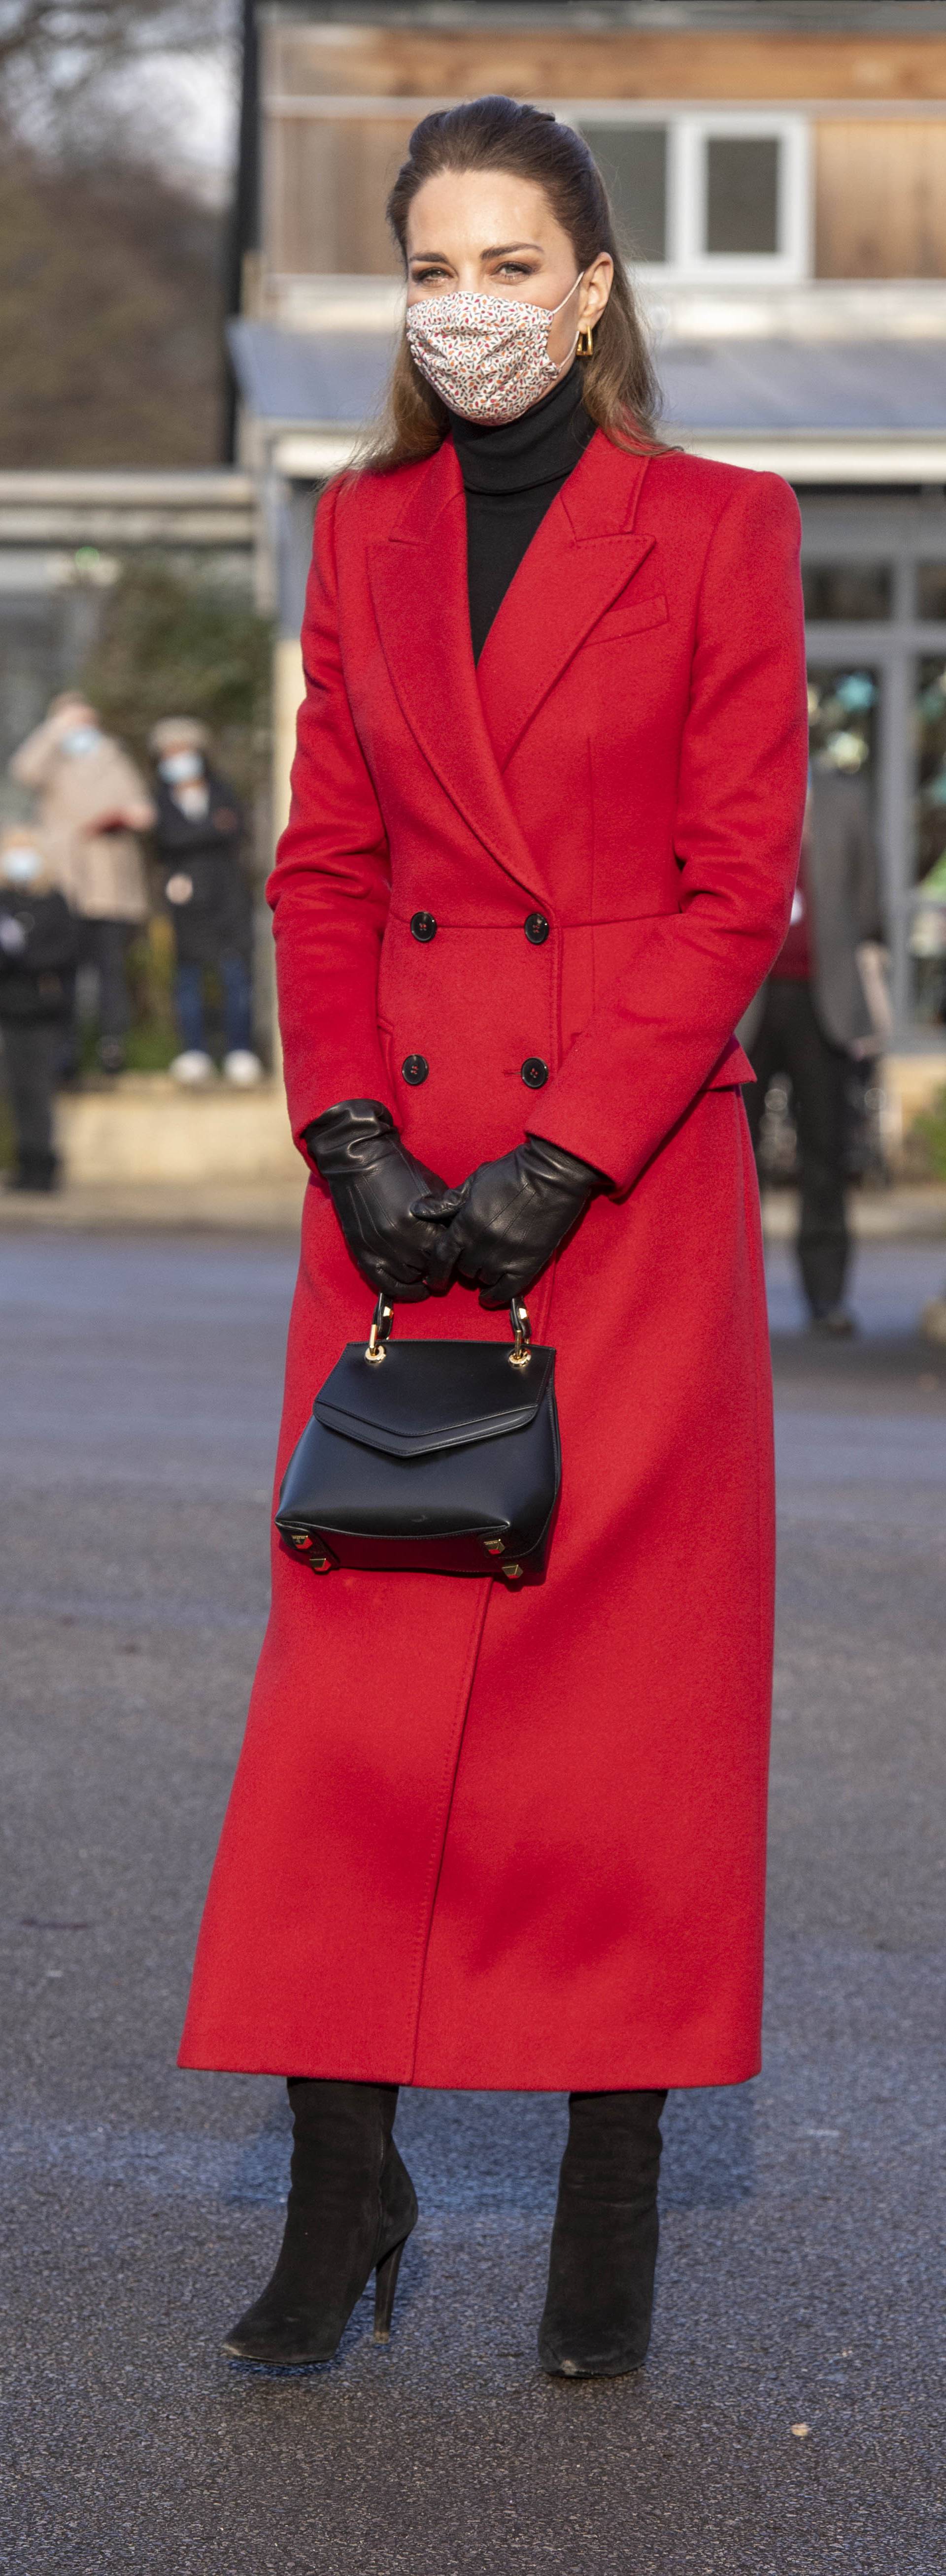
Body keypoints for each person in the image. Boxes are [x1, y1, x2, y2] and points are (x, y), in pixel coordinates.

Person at [179, 98, 808, 2380]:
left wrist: (575, 1154)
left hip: (620, 1200)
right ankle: (345, 2181)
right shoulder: (361, 534)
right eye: (429, 266)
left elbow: (742, 877)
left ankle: (608, 2174)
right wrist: (344, 1124)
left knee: (610, 1721)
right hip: (394, 1200)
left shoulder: (727, 525)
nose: (466, 307)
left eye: (508, 263)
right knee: (350, 1710)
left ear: (592, 282)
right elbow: (323, 856)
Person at [742, 761, 884, 1334]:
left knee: (826, 1155)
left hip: (824, 1004)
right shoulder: (741, 783)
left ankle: (827, 1301)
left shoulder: (845, 798)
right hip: (748, 1001)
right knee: (735, 1157)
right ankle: (731, 1303)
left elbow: (868, 898)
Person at [9, 692, 153, 1076]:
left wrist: (126, 816)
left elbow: (142, 807)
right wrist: (55, 729)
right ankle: (63, 1052)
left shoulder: (113, 757)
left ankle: (112, 1047)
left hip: (110, 886)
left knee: (110, 972)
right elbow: (23, 770)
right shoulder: (52, 757)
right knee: (64, 973)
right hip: (66, 883)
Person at [149, 718, 262, 1086]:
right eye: (170, 752)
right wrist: (212, 829)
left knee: (235, 974)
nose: (178, 759)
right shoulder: (160, 798)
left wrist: (195, 835)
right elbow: (167, 839)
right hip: (186, 900)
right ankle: (194, 1051)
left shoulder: (222, 789)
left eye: (184, 750)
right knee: (189, 978)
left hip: (228, 897)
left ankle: (239, 1050)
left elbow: (237, 828)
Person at [0, 826, 78, 1191]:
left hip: (45, 1009)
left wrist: (25, 956)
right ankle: (25, 1161)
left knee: (41, 1088)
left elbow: (66, 950)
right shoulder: (3, 900)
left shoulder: (55, 900)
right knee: (17, 1088)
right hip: (10, 1008)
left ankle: (44, 1164)